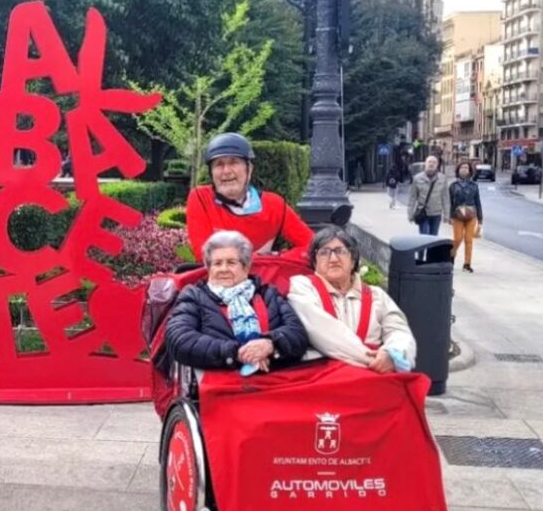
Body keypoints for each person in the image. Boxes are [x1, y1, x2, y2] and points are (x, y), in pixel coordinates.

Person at [165, 230, 308, 374]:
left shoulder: (268, 293)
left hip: (273, 376)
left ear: (246, 267)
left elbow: (297, 333)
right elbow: (179, 339)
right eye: (217, 263)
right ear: (208, 268)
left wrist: (270, 344)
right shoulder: (194, 296)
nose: (224, 269)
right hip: (219, 381)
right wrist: (236, 353)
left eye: (231, 263)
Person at [288, 226, 416, 374]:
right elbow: (323, 331)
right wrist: (371, 361)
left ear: (353, 259)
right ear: (315, 262)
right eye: (324, 252)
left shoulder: (377, 295)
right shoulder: (303, 287)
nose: (333, 259)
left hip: (373, 376)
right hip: (324, 376)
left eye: (340, 251)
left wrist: (392, 354)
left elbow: (399, 332)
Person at [185, 132, 314, 263]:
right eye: (219, 164)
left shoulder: (274, 204)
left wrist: (274, 257)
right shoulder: (200, 197)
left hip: (264, 279)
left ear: (249, 169)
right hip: (218, 279)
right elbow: (204, 254)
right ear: (211, 172)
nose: (226, 171)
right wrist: (254, 258)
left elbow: (313, 247)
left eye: (234, 162)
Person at [448, 161, 483, 273]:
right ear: (458, 170)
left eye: (466, 168)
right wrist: (449, 216)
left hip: (471, 215)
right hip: (457, 215)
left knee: (469, 240)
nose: (464, 169)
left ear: (469, 171)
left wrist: (480, 218)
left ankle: (467, 264)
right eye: (462, 167)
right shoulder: (453, 186)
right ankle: (451, 256)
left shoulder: (474, 186)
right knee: (457, 238)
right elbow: (449, 202)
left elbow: (478, 202)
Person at [407, 155, 451, 236]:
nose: (431, 164)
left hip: (436, 214)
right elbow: (412, 198)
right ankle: (422, 248)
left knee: (433, 238)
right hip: (423, 213)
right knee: (424, 237)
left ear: (437, 165)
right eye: (429, 162)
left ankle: (429, 249)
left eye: (434, 162)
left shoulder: (442, 178)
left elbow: (445, 198)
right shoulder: (417, 178)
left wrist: (447, 215)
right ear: (425, 164)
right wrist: (410, 214)